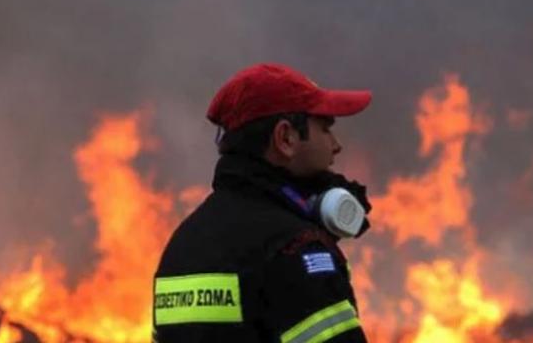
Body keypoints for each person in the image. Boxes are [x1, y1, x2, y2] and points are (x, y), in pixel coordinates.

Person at [152, 63, 373, 342]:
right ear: (285, 138)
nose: (336, 144)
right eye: (325, 128)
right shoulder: (296, 250)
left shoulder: (181, 245)